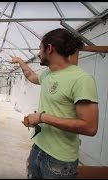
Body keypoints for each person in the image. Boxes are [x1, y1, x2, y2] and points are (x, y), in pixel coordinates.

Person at [11, 28, 99, 179]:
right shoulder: (47, 74)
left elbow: (90, 127)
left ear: (49, 49)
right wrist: (20, 61)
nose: (38, 53)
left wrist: (42, 118)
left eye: (40, 48)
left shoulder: (81, 79)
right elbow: (32, 76)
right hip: (38, 147)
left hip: (59, 160)